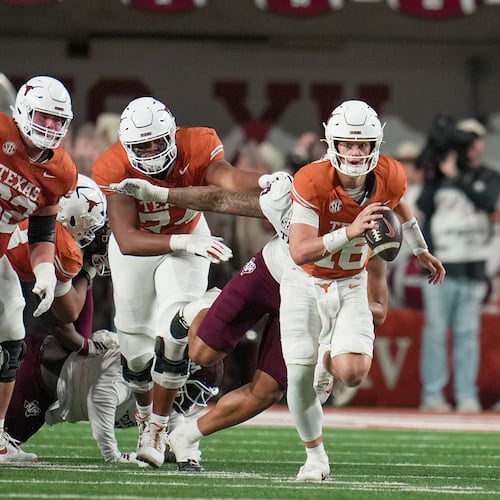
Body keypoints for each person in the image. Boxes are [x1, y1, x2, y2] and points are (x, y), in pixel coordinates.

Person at [109, 172, 389, 472]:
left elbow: (379, 309)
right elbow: (221, 198)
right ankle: (195, 310)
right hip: (270, 275)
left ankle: (186, 436)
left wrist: (341, 312)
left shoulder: (371, 236)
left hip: (311, 304)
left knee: (267, 391)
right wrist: (158, 195)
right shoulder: (302, 197)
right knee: (202, 353)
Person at [92, 96, 266, 468]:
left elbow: (230, 180)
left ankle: (157, 427)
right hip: (145, 247)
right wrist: (185, 241)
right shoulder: (113, 165)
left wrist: (268, 181)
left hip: (187, 239)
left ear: (172, 134)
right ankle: (145, 417)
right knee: (136, 351)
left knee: (172, 331)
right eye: (143, 145)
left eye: (158, 141)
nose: (153, 151)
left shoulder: (197, 143)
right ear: (127, 146)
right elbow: (127, 238)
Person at [280, 99, 445, 481]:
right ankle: (315, 456)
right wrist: (351, 231)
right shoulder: (311, 179)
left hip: (351, 280)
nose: (355, 152)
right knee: (299, 375)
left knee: (352, 372)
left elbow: (399, 204)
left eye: (363, 145)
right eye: (347, 144)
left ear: (375, 145)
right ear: (332, 143)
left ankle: (329, 358)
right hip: (304, 280)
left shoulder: (391, 174)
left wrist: (420, 249)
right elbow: (300, 249)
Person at [0, 75, 77, 462]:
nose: (50, 127)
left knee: (12, 329)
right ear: (23, 112)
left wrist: (45, 271)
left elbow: (43, 229)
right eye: (43, 118)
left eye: (57, 120)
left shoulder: (61, 171)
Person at [417, 118, 500, 413]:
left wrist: (458, 177)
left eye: (474, 140)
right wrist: (440, 174)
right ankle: (432, 394)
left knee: (468, 335)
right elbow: (424, 208)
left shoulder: (488, 175)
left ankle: (467, 395)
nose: (470, 147)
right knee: (436, 333)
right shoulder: (438, 176)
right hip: (443, 267)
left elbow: (488, 200)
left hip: (473, 267)